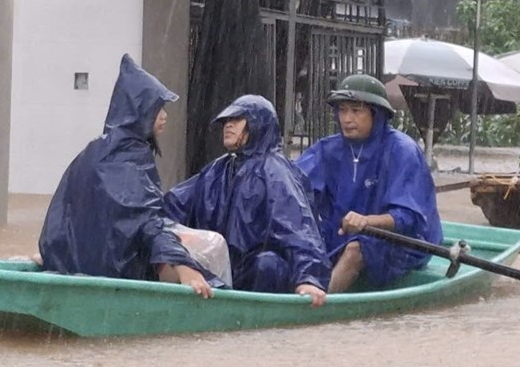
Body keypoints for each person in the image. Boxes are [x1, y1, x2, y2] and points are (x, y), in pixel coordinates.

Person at [38, 54, 223, 298]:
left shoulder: (93, 151)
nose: (165, 116)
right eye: (158, 109)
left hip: (76, 266)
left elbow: (63, 216)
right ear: (141, 111)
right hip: (119, 272)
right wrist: (184, 267)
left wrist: (53, 256)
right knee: (214, 244)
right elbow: (147, 221)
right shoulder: (131, 160)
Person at [164, 95, 330, 307]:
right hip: (225, 268)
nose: (228, 125)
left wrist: (309, 278)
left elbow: (298, 228)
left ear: (257, 124)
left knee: (267, 264)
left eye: (237, 119)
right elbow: (173, 205)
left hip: (258, 272)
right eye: (226, 121)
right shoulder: (217, 170)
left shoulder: (275, 172)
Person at [296, 74, 443, 293]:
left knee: (357, 248)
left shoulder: (403, 151)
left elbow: (408, 218)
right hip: (341, 233)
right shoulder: (327, 149)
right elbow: (294, 186)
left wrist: (366, 221)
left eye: (356, 111)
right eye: (342, 110)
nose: (346, 119)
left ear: (377, 114)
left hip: (403, 242)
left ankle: (318, 308)